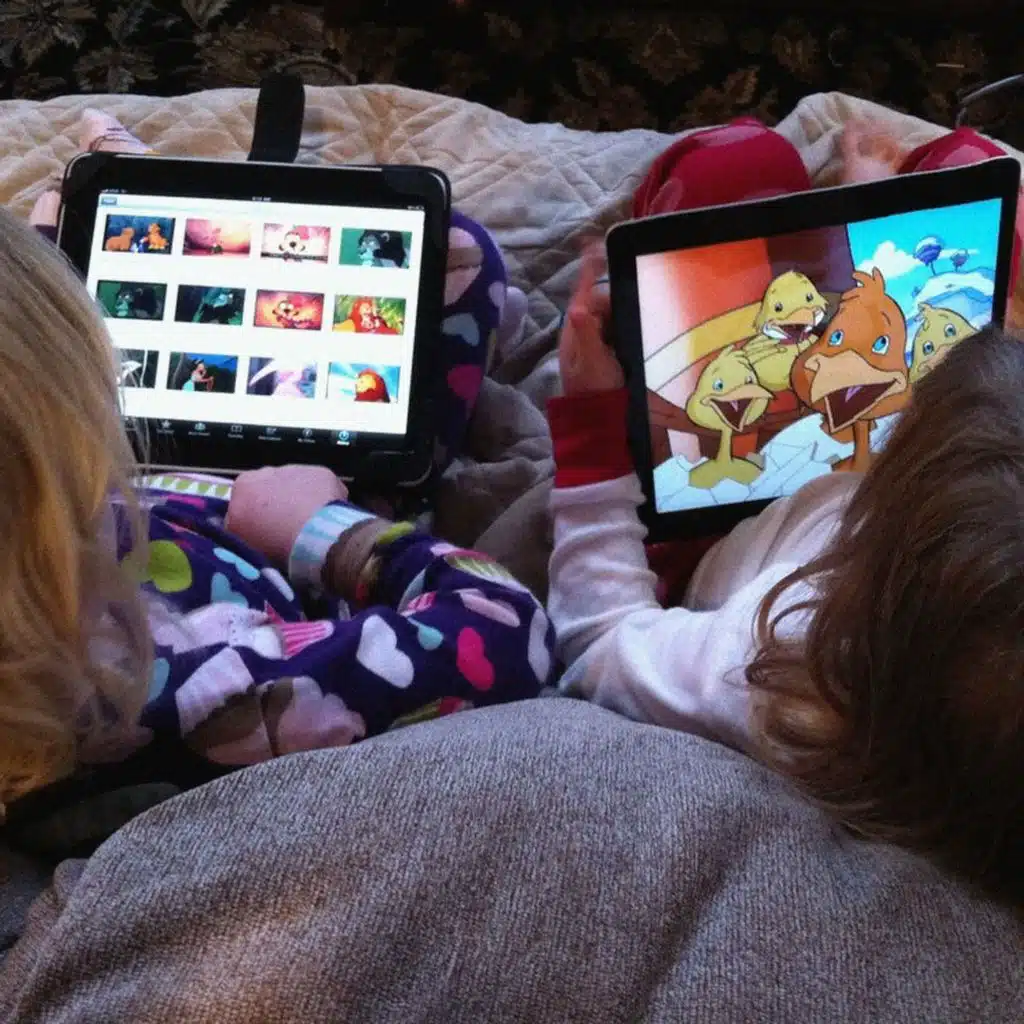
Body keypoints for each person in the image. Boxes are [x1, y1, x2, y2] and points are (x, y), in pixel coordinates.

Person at [0, 208, 553, 818]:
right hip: (301, 527)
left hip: (135, 491)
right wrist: (329, 530)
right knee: (461, 253)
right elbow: (505, 623)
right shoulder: (209, 690)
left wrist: (41, 251)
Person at [547, 242, 1024, 907]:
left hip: (701, 543)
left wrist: (590, 431)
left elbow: (599, 643)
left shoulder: (783, 664)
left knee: (721, 185)